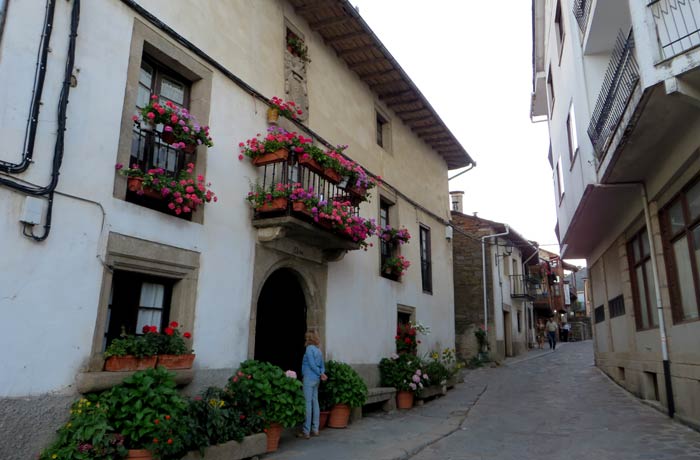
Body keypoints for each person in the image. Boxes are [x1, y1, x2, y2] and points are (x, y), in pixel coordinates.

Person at [298, 331, 327, 439]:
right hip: (316, 380)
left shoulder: (309, 349)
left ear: (308, 338)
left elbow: (311, 364)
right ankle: (315, 429)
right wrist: (322, 373)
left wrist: (320, 373)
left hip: (309, 378)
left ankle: (306, 431)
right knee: (315, 402)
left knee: (308, 403)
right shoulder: (318, 350)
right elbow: (322, 365)